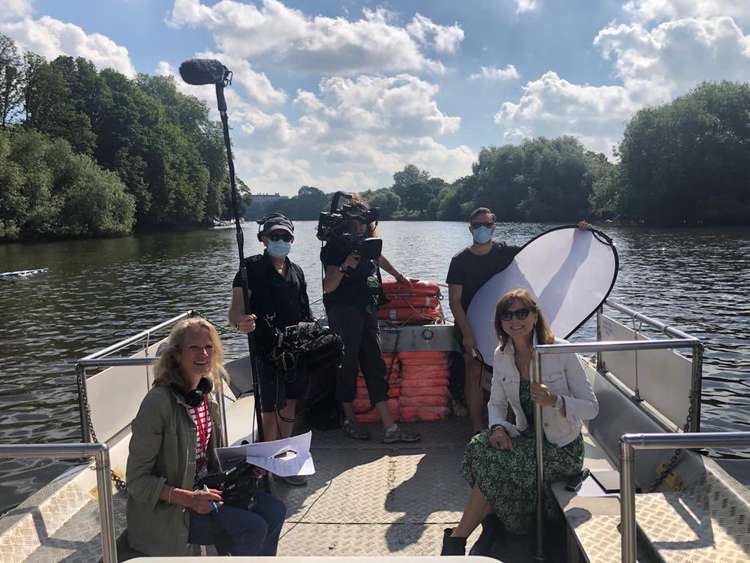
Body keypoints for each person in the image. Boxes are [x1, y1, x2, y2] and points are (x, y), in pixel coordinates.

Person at [441, 289, 598, 556]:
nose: (515, 320)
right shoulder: (502, 354)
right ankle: (486, 523)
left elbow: (591, 408)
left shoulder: (560, 351)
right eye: (507, 315)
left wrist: (555, 400)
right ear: (500, 322)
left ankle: (459, 538)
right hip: (526, 438)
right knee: (478, 447)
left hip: (561, 449)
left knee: (494, 464)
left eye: (522, 313)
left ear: (535, 315)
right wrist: (499, 427)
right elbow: (497, 404)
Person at [126, 317, 286, 556]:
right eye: (194, 347)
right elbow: (136, 481)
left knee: (274, 511)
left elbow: (212, 462)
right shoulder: (157, 403)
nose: (203, 353)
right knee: (252, 528)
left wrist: (248, 467)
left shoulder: (205, 397)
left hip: (206, 492)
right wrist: (190, 499)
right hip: (171, 513)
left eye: (209, 347)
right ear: (177, 355)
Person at [447, 208, 590, 433]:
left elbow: (545, 257)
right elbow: (455, 301)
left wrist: (576, 236)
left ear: (494, 226)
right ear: (470, 228)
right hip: (471, 325)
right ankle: (476, 425)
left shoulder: (507, 253)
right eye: (477, 225)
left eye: (486, 224)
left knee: (518, 368)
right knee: (474, 371)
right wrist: (467, 334)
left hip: (510, 323)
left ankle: (520, 424)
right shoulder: (460, 261)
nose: (481, 228)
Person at [321, 197, 420, 443]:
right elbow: (327, 287)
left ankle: (390, 428)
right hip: (343, 311)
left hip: (367, 308)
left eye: (364, 221)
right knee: (347, 364)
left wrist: (398, 276)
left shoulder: (368, 244)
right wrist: (345, 266)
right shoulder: (333, 247)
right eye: (356, 222)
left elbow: (378, 258)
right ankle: (349, 420)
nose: (361, 226)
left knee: (374, 364)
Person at [228, 213, 312, 486]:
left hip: (295, 350)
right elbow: (235, 311)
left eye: (285, 237)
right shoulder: (248, 269)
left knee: (289, 404)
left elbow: (306, 311)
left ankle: (284, 455)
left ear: (292, 239)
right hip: (265, 350)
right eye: (274, 236)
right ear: (263, 239)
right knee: (268, 408)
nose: (280, 241)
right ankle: (268, 460)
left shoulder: (297, 271)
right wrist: (241, 323)